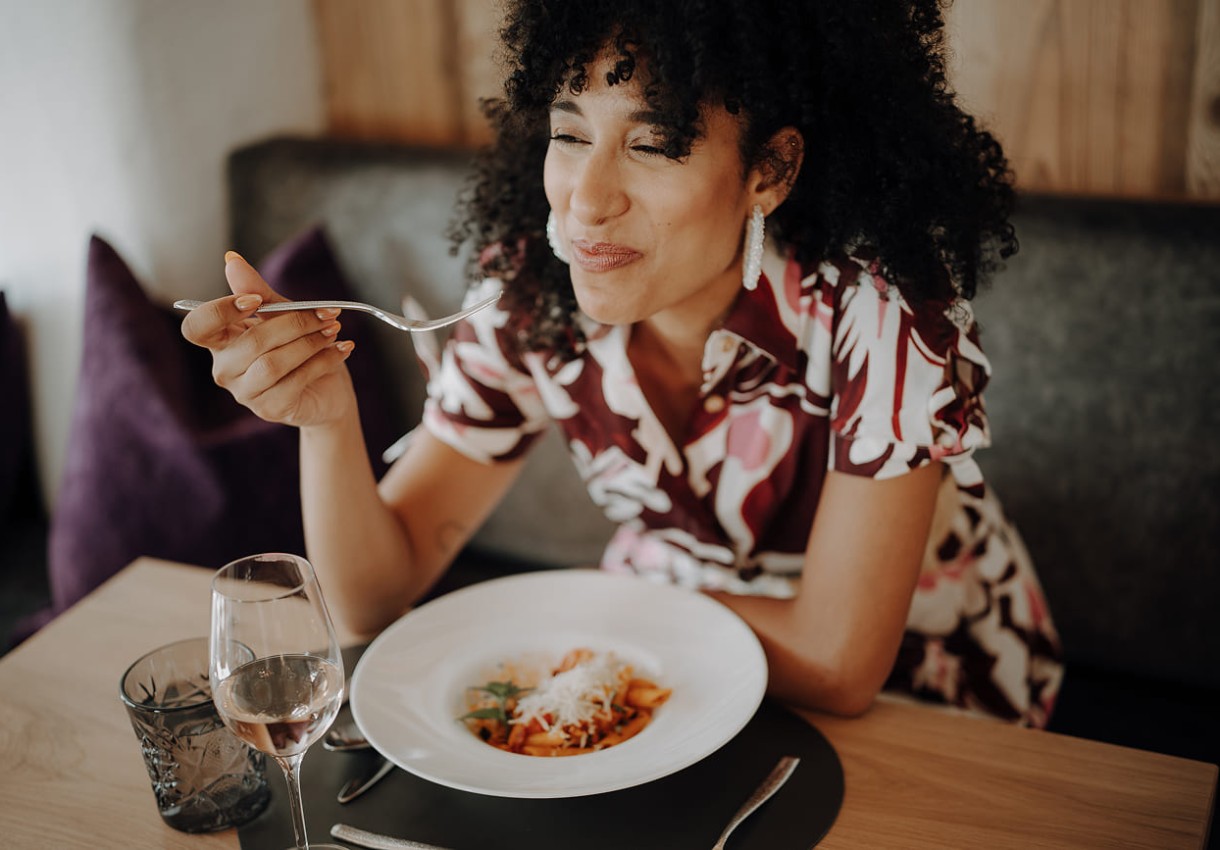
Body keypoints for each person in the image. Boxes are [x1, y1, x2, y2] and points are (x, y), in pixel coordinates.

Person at [183, 0, 1062, 726]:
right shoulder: (532, 295)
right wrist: (328, 417)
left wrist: (580, 611)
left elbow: (838, 664)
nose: (587, 202)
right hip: (657, 664)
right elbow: (373, 600)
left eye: (652, 144)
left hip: (923, 694)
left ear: (771, 169)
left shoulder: (882, 308)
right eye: (569, 137)